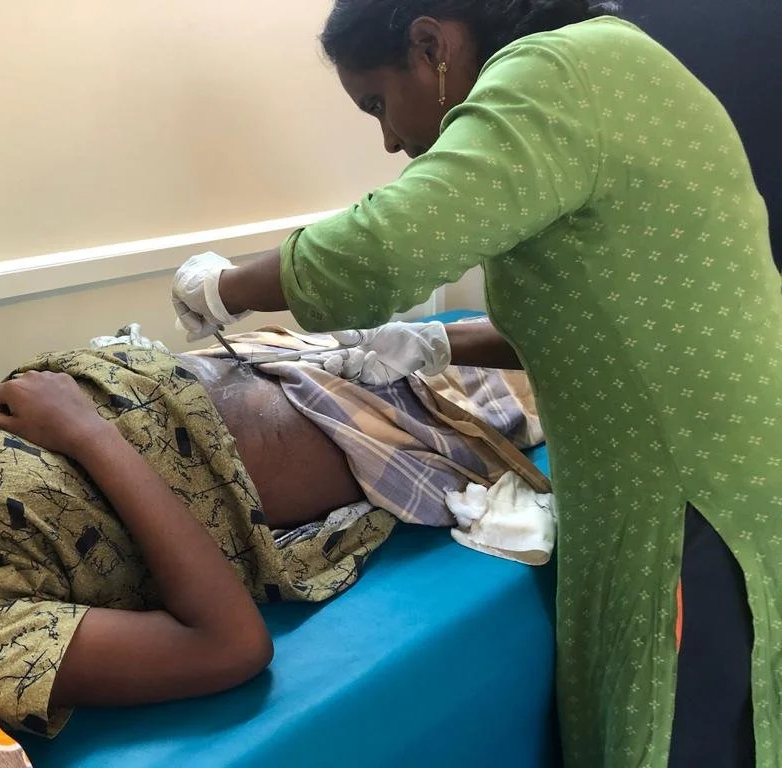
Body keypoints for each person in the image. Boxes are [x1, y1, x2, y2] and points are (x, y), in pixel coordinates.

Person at [170, 2, 782, 766]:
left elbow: (380, 251)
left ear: (432, 46)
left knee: (673, 731)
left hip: (686, 491)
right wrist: (434, 345)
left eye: (378, 104)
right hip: (706, 461)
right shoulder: (610, 68)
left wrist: (226, 287)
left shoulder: (554, 72)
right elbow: (597, 316)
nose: (391, 139)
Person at [0, 323, 539, 738]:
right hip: (333, 433)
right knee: (572, 363)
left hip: (245, 358)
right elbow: (229, 649)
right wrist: (90, 433)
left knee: (480, 329)